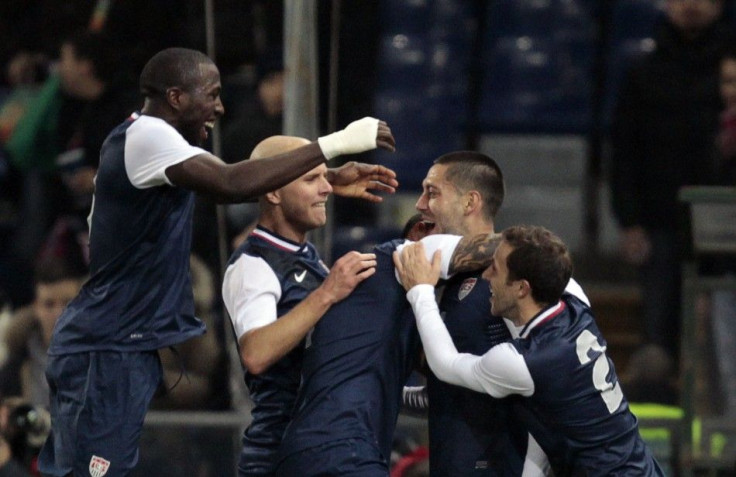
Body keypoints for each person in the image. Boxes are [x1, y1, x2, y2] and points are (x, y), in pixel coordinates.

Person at [38, 46, 397, 477]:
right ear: (176, 97)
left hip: (121, 343)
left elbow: (242, 178)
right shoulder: (147, 136)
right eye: (212, 94)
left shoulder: (154, 144)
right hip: (106, 344)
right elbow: (230, 182)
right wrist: (334, 146)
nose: (220, 107)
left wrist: (321, 180)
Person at [394, 225, 664, 476]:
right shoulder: (573, 301)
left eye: (495, 270)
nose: (486, 275)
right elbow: (547, 416)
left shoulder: (525, 361)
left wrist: (420, 291)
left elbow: (446, 365)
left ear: (522, 288)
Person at [275, 231, 500, 476]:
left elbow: (431, 390)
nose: (424, 204)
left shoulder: (381, 317)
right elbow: (504, 248)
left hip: (303, 449)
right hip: (343, 446)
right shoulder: (398, 254)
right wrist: (540, 253)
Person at [222, 135, 380, 476]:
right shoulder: (253, 264)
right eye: (312, 179)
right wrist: (327, 292)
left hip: (317, 447)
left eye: (326, 176)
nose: (326, 189)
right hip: (278, 454)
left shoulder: (303, 255)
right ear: (274, 193)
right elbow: (256, 353)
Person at [609, 0, 731, 368]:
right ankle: (659, 417)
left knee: (720, 335)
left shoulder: (731, 70)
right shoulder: (643, 68)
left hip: (726, 227)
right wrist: (629, 220)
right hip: (658, 222)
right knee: (656, 335)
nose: (690, 5)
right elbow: (624, 149)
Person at [411, 151, 529, 475]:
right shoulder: (446, 279)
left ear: (469, 202)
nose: (420, 204)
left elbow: (539, 381)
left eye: (432, 192)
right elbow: (446, 388)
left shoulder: (511, 281)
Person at [0, 258, 85, 409]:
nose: (59, 314)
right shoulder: (15, 369)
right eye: (49, 304)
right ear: (36, 308)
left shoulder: (105, 359)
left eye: (68, 303)